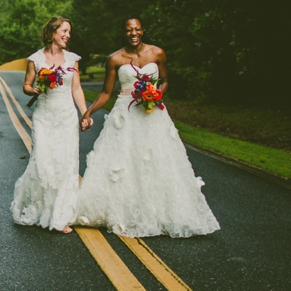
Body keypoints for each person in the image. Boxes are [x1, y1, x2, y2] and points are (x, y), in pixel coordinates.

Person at [76, 15, 220, 238]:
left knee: (158, 161)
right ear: (123, 33)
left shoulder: (157, 53)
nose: (133, 33)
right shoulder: (114, 59)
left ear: (142, 31)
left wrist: (155, 95)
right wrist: (88, 111)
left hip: (153, 114)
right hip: (126, 115)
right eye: (128, 30)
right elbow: (106, 92)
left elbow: (165, 81)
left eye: (137, 29)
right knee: (124, 163)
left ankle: (161, 213)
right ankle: (123, 211)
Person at [11, 17, 91, 234]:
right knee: (43, 161)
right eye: (64, 31)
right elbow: (27, 85)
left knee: (66, 164)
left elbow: (76, 89)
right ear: (52, 32)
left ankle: (60, 214)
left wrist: (85, 113)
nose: (67, 35)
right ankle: (41, 209)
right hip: (44, 117)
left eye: (69, 32)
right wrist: (34, 89)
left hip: (66, 117)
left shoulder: (73, 59)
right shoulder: (35, 59)